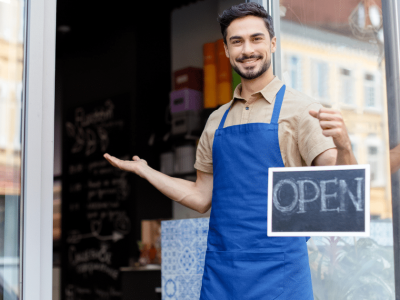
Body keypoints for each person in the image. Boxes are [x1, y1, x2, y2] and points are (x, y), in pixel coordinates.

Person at [104, 3, 357, 299]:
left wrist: (344, 145)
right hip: (223, 270)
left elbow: (341, 194)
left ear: (272, 44)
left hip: (281, 272)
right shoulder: (216, 120)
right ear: (226, 50)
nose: (247, 49)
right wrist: (146, 172)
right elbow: (200, 197)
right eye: (237, 41)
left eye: (256, 38)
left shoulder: (302, 109)